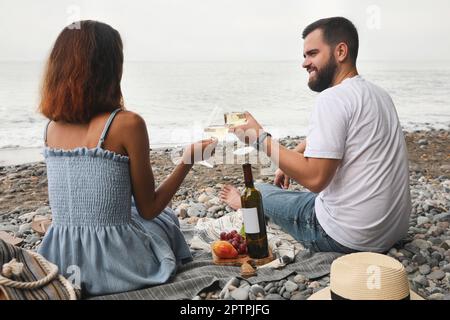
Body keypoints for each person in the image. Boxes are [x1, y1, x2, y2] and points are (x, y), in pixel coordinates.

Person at [37, 20, 217, 296]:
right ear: (110, 68)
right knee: (164, 218)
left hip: (61, 259)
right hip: (118, 263)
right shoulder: (126, 124)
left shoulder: (50, 128)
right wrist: (188, 160)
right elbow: (149, 208)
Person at [220, 17, 411, 254]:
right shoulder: (378, 94)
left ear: (340, 51)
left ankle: (245, 205)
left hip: (346, 237)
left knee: (259, 191)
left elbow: (316, 180)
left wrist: (260, 139)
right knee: (286, 191)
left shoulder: (332, 99)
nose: (305, 63)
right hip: (392, 229)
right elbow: (341, 134)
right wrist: (295, 155)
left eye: (312, 54)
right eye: (304, 56)